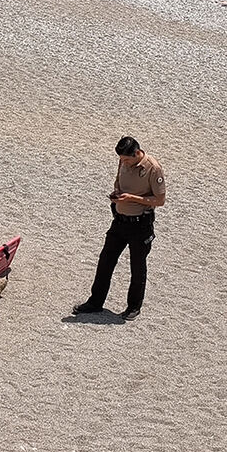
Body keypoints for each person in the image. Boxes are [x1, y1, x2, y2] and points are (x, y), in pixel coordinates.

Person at [73, 136, 166, 321]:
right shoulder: (123, 161)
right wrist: (117, 193)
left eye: (126, 160)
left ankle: (133, 307)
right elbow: (118, 181)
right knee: (105, 261)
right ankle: (95, 302)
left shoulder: (153, 168)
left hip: (141, 225)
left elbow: (160, 200)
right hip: (119, 222)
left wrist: (131, 198)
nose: (123, 163)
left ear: (137, 153)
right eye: (121, 160)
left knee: (137, 266)